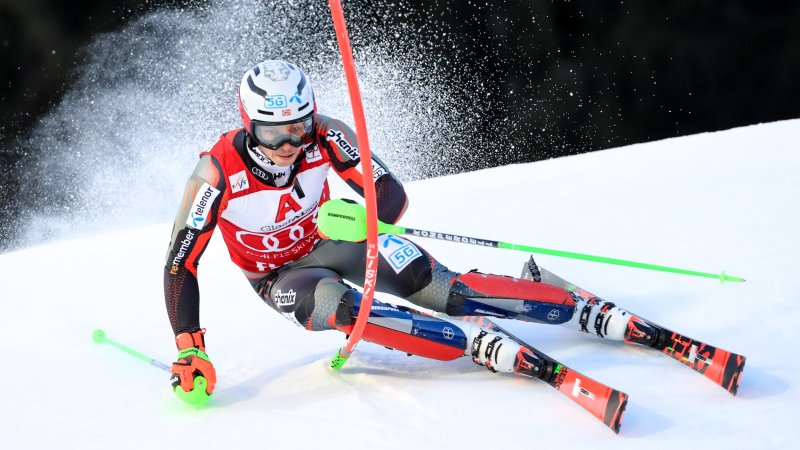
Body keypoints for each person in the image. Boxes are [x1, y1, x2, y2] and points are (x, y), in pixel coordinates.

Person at [163, 60, 643, 403]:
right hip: (280, 276)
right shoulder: (214, 175)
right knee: (346, 309)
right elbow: (180, 265)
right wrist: (191, 347)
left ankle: (561, 305)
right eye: (275, 133)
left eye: (299, 126)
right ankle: (465, 341)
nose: (290, 143)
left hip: (335, 238)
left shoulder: (325, 135)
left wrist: (373, 218)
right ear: (251, 125)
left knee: (437, 287)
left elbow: (389, 189)